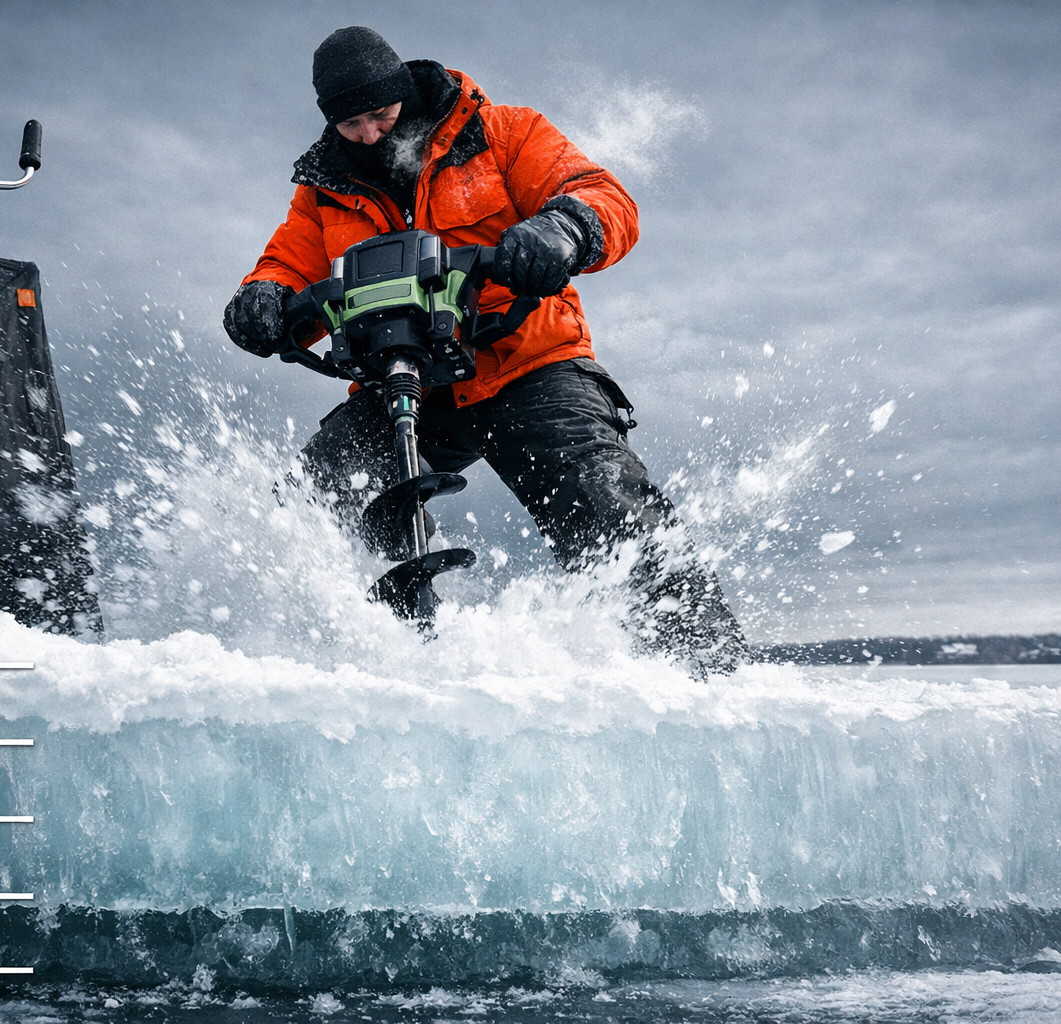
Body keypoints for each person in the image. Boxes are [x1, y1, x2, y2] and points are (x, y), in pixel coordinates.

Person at [224, 26, 746, 673]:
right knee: (307, 506)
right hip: (402, 382)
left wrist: (562, 230)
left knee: (609, 511)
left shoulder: (500, 132)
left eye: (380, 115)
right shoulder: (323, 191)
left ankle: (709, 671)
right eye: (351, 123)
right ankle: (318, 666)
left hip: (528, 362)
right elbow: (285, 268)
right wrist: (262, 302)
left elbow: (605, 199)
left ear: (403, 96)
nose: (369, 135)